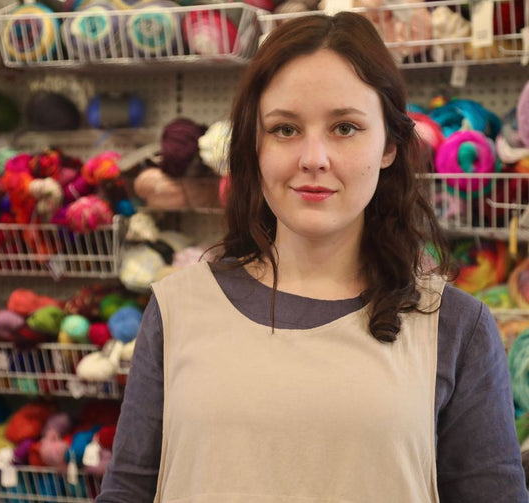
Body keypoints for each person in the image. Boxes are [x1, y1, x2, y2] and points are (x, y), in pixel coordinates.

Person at [96, 12, 527, 503]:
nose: (314, 157)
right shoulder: (176, 310)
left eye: (345, 127)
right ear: (253, 146)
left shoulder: (455, 328)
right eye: (285, 129)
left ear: (389, 145)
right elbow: (127, 490)